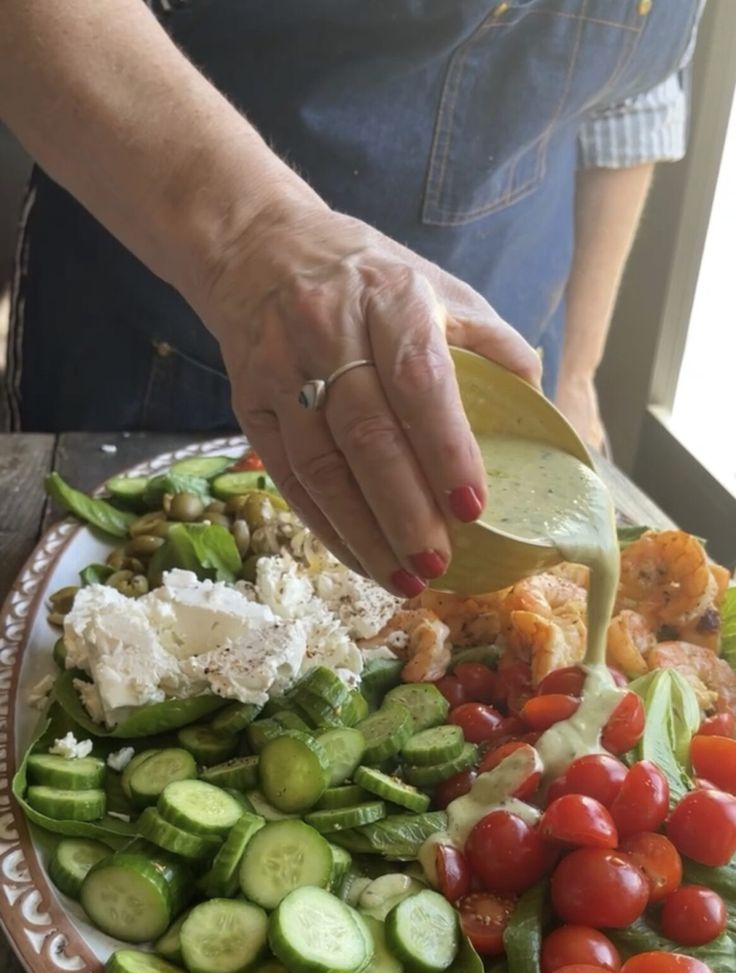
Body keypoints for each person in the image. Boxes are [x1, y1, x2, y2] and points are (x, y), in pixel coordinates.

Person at [1, 0, 702, 596]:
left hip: (507, 334)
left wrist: (577, 368)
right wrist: (253, 241)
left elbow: (632, 97)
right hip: (168, 303)